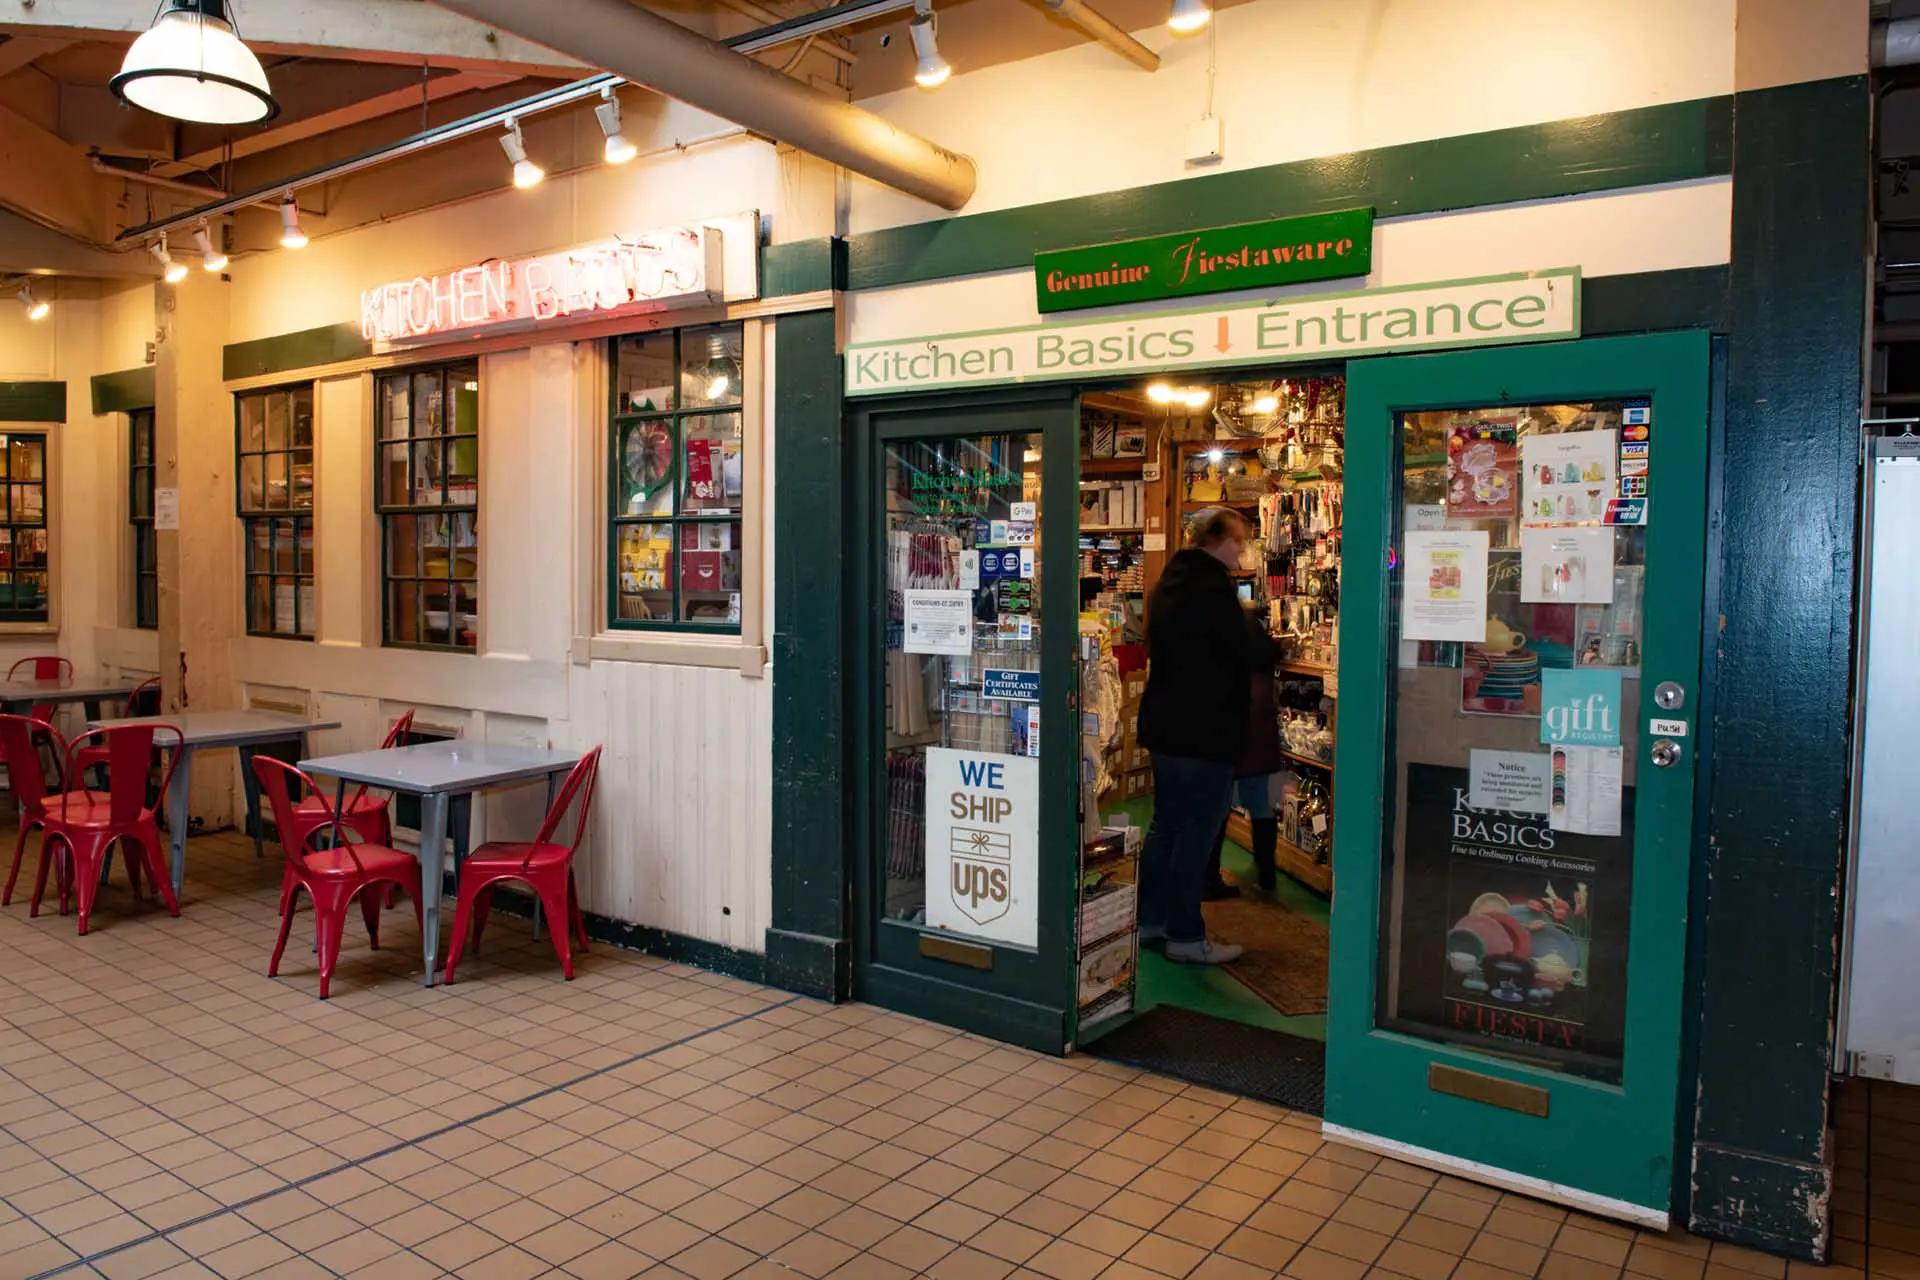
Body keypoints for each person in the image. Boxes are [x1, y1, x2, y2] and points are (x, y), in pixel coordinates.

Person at [1136, 507, 1251, 965]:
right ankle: (1185, 934)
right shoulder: (1215, 589)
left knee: (1166, 827)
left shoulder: (1169, 581)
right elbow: (1237, 654)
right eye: (1238, 540)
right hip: (1206, 731)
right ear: (1217, 539)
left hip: (1165, 726)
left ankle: (1151, 920)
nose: (1241, 550)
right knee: (1195, 835)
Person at [1202, 601, 1282, 898]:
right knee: (1259, 803)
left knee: (1219, 805)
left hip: (1232, 727)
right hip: (1260, 728)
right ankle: (1267, 875)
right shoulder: (1260, 643)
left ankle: (1209, 876)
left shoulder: (1226, 640)